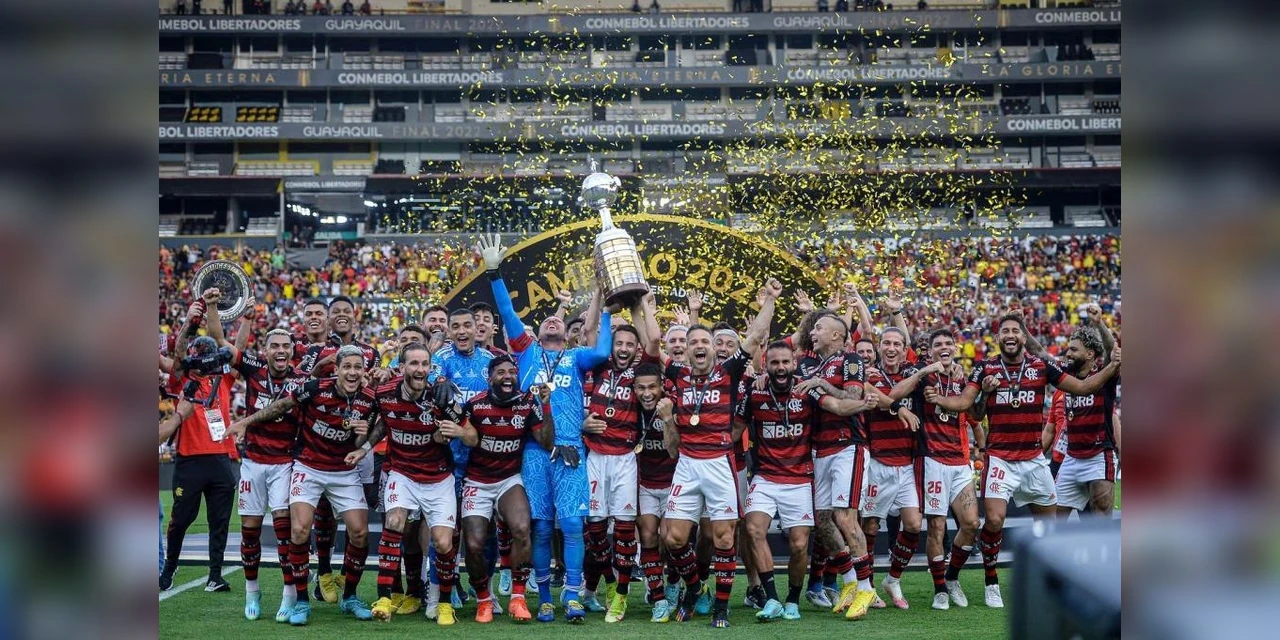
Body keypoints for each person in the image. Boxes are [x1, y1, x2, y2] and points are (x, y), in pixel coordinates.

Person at [928, 313, 1120, 608]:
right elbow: (971, 408)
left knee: (1049, 528)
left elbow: (1084, 387)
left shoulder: (1041, 365)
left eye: (1015, 330)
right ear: (998, 337)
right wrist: (942, 399)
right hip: (1000, 458)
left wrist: (1115, 366)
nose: (1010, 335)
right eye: (1004, 330)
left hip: (1033, 460)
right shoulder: (985, 367)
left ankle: (1046, 582)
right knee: (993, 519)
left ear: (1023, 337)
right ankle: (991, 581)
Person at [478, 233, 614, 623]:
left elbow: (604, 350)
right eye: (546, 321)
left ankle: (572, 594)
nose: (553, 320)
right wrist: (494, 273)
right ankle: (544, 596)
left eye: (557, 320)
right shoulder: (525, 353)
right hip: (535, 450)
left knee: (572, 524)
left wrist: (607, 309)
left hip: (571, 448)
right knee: (539, 527)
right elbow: (506, 314)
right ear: (536, 334)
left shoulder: (576, 357)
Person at [643, 280, 778, 628]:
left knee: (723, 537)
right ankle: (694, 588)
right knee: (671, 537)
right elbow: (654, 343)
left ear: (714, 349)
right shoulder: (677, 374)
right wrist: (645, 306)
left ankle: (721, 606)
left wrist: (771, 300)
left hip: (720, 463)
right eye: (693, 342)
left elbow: (757, 335)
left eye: (704, 341)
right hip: (687, 463)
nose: (699, 346)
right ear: (686, 350)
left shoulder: (729, 373)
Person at [229, 345, 379, 625]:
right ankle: (300, 601)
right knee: (298, 530)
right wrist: (246, 422)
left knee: (359, 533)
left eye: (358, 367)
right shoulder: (314, 388)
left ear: (364, 371)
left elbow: (365, 438)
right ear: (336, 369)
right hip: (308, 467)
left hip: (343, 471)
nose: (352, 372)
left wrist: (363, 437)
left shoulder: (369, 399)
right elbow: (281, 406)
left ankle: (350, 597)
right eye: (347, 366)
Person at [741, 341, 875, 622]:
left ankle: (794, 599)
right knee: (754, 530)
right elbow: (734, 426)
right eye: (774, 363)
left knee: (801, 545)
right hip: (766, 476)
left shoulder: (808, 389)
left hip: (801, 477)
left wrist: (863, 404)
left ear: (794, 364)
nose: (780, 368)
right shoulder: (755, 392)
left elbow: (838, 406)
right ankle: (772, 598)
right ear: (766, 365)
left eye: (785, 362)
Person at [439, 355, 554, 623]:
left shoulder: (528, 403)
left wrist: (546, 407)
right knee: (475, 543)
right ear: (489, 379)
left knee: (522, 528)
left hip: (508, 479)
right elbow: (465, 438)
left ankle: (517, 597)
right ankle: (483, 600)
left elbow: (547, 442)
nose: (507, 376)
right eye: (500, 372)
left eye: (512, 372)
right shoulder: (475, 405)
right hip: (477, 480)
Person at [362, 342, 464, 625]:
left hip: (438, 477)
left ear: (431, 368)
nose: (420, 369)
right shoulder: (384, 392)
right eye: (414, 364)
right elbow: (379, 420)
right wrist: (364, 443)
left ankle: (444, 603)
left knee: (443, 544)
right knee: (394, 521)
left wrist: (450, 433)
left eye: (424, 364)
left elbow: (467, 431)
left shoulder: (441, 395)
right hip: (403, 473)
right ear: (402, 366)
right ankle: (384, 596)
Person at [885, 328, 982, 610]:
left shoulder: (963, 378)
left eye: (948, 344)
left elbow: (975, 414)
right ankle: (939, 589)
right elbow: (894, 393)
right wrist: (923, 370)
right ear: (930, 351)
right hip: (931, 460)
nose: (944, 347)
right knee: (936, 527)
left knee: (971, 524)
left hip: (959, 460)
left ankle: (951, 578)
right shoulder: (922, 373)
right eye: (938, 344)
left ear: (955, 348)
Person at [793, 312, 877, 619]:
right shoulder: (817, 366)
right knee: (822, 520)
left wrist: (821, 384)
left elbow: (851, 398)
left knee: (845, 517)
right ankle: (850, 580)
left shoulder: (850, 359)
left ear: (836, 336)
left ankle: (867, 588)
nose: (813, 332)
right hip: (822, 449)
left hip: (848, 447)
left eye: (819, 327)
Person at [160, 292, 238, 596]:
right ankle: (169, 566)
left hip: (220, 459)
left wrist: (216, 310)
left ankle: (215, 575)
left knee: (219, 522)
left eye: (208, 352)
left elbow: (222, 342)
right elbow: (178, 355)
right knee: (181, 519)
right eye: (199, 351)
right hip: (190, 459)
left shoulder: (225, 378)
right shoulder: (181, 379)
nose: (204, 358)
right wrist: (190, 324)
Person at [227, 328, 307, 621]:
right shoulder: (255, 369)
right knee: (250, 530)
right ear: (266, 349)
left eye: (286, 345)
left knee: (285, 533)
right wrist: (212, 306)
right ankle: (252, 590)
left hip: (285, 463)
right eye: (275, 346)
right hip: (252, 462)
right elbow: (219, 338)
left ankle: (288, 595)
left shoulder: (300, 380)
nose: (281, 350)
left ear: (292, 349)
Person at [579, 310, 653, 622]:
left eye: (629, 344)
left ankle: (621, 596)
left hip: (625, 459)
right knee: (594, 531)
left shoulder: (641, 374)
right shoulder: (598, 367)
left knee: (624, 532)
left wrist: (638, 306)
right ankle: (608, 583)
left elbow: (654, 340)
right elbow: (593, 335)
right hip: (595, 458)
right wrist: (605, 309)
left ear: (637, 350)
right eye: (618, 343)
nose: (623, 348)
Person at [423, 308, 496, 617]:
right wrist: (436, 379)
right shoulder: (441, 360)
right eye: (457, 326)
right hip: (448, 461)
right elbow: (425, 374)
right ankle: (439, 592)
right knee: (446, 531)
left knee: (485, 531)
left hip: (484, 461)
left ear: (477, 327)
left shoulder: (490, 363)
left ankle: (488, 592)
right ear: (449, 331)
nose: (463, 330)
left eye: (469, 324)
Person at [860, 327, 926, 610]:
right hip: (878, 463)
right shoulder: (869, 375)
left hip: (907, 464)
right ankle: (868, 587)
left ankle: (893, 579)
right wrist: (897, 407)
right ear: (879, 347)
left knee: (913, 524)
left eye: (896, 343)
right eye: (886, 342)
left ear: (903, 348)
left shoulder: (913, 375)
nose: (891, 347)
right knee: (870, 527)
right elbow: (868, 392)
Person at [629, 361, 681, 621]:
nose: (647, 393)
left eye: (652, 387)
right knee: (648, 537)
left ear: (662, 387)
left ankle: (673, 583)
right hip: (645, 484)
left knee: (671, 540)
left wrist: (668, 419)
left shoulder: (672, 406)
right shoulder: (629, 408)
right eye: (641, 388)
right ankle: (658, 599)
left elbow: (674, 451)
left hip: (673, 483)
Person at [1052, 326, 1121, 517]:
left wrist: (1099, 323)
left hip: (1099, 456)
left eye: (1074, 349)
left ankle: (1104, 548)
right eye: (1068, 349)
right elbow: (1040, 354)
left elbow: (1112, 352)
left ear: (1090, 354)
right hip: (1072, 456)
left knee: (1100, 519)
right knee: (1053, 517)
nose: (1068, 353)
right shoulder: (1067, 375)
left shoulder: (1104, 375)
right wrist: (1023, 327)